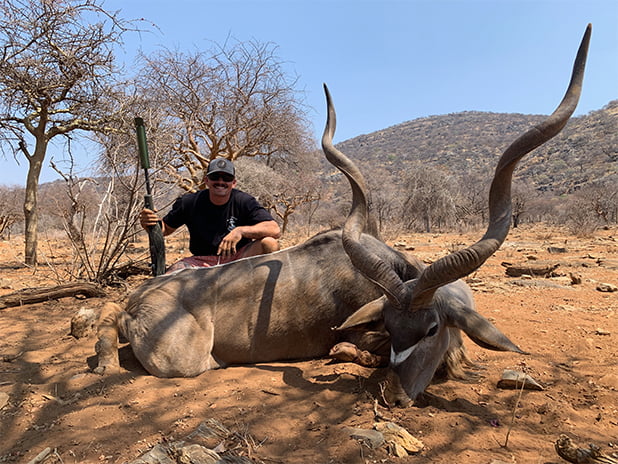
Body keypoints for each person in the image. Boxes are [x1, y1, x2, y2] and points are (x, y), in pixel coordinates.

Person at [139, 158, 281, 273]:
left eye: (226, 178)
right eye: (215, 177)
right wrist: (150, 223)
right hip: (202, 262)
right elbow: (165, 229)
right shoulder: (189, 202)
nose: (220, 182)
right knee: (169, 278)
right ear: (206, 180)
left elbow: (274, 230)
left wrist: (240, 231)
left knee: (269, 243)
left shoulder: (244, 201)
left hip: (238, 258)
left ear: (234, 182)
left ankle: (264, 291)